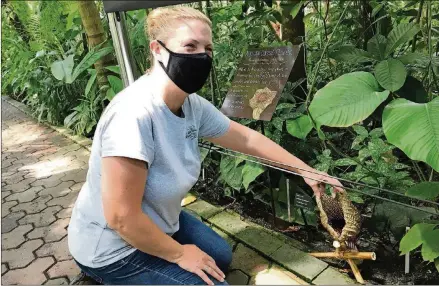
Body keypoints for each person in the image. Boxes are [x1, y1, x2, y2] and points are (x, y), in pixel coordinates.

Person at [67, 6, 344, 286]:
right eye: (190, 46)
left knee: (220, 257)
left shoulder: (192, 105)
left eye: (207, 49)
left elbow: (247, 139)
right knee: (214, 282)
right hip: (113, 247)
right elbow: (121, 218)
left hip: (157, 221)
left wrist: (305, 171)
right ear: (157, 49)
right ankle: (101, 277)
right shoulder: (133, 115)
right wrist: (178, 255)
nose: (201, 56)